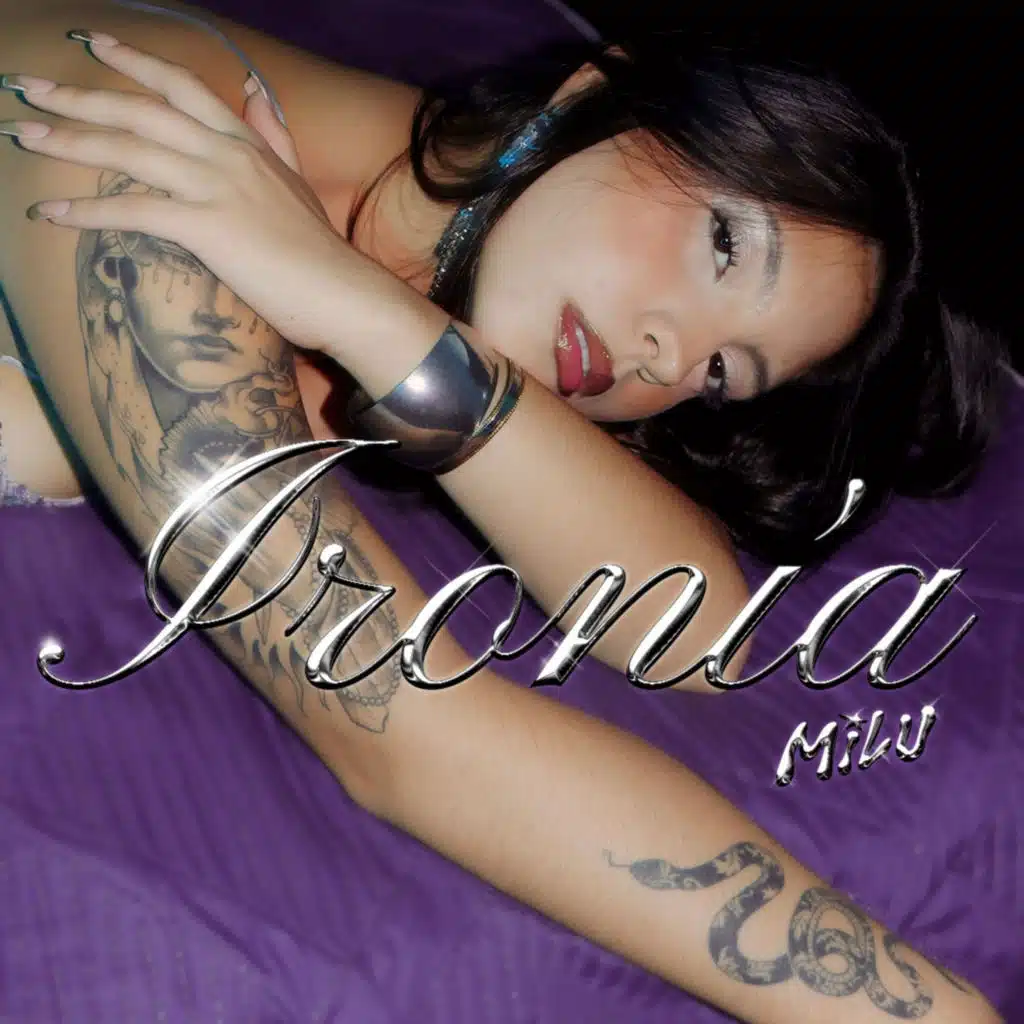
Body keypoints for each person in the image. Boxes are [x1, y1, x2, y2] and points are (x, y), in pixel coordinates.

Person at [0, 1, 1007, 1021]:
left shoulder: (392, 275)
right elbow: (398, 720)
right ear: (594, 96)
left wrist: (367, 312)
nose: (664, 352)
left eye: (718, 373)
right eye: (722, 244)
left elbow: (692, 631)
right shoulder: (141, 141)